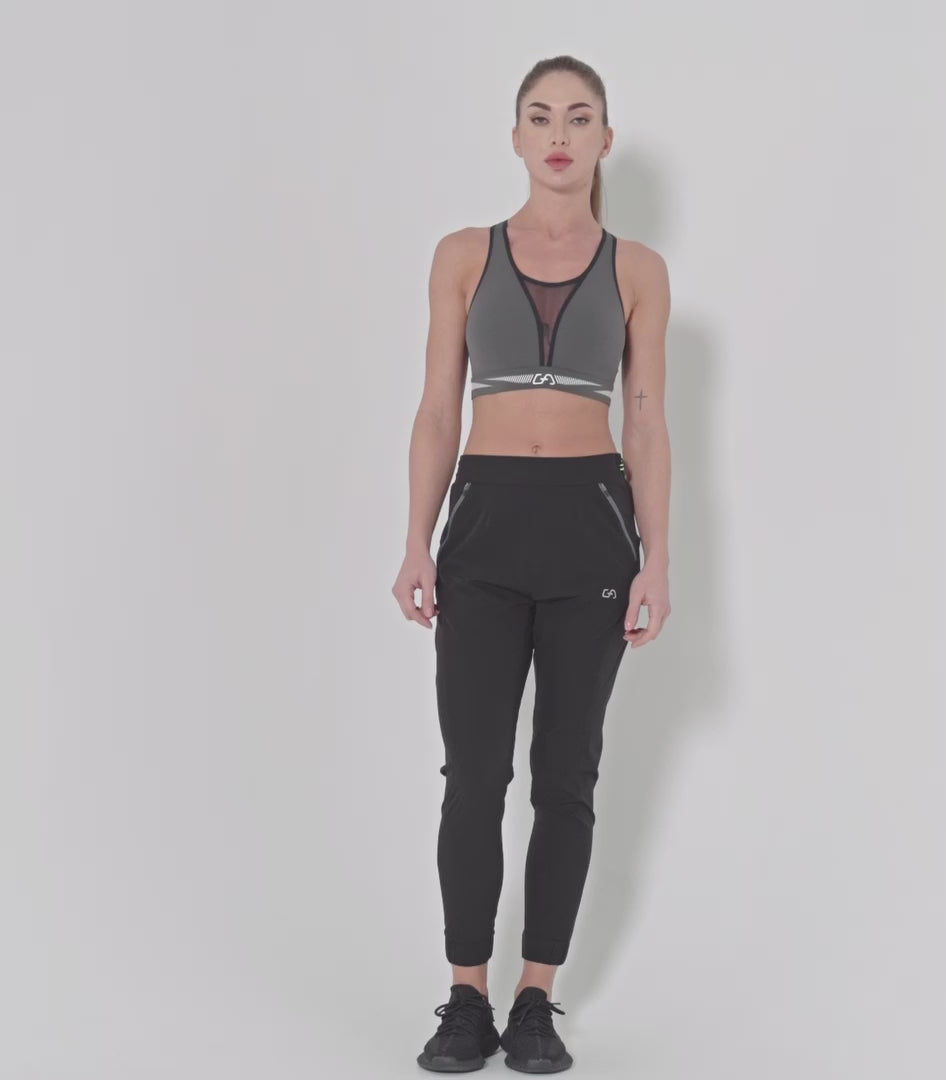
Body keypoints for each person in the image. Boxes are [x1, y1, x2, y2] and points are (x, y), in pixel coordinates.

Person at [392, 54, 672, 1073]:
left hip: (591, 528)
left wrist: (657, 559)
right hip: (485, 527)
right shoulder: (464, 255)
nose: (559, 134)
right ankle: (466, 996)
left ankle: (536, 998)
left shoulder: (638, 269)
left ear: (605, 139)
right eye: (541, 117)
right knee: (474, 773)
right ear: (516, 137)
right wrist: (416, 540)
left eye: (579, 117)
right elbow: (438, 409)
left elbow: (646, 420)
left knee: (567, 775)